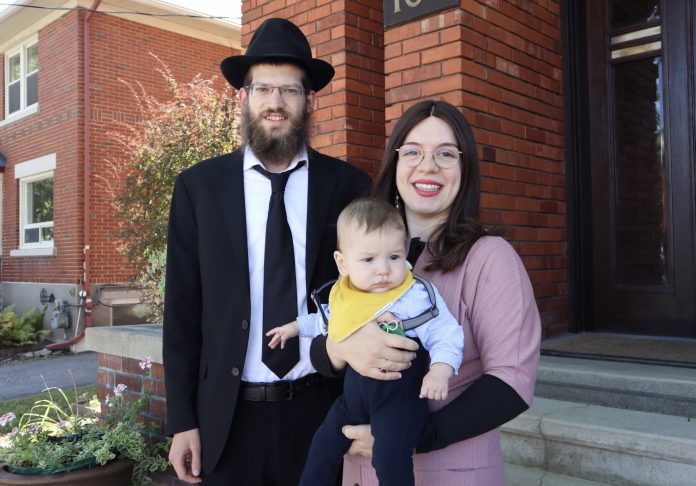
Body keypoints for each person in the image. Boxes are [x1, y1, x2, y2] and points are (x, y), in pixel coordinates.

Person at [162, 18, 371, 486]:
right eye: (263, 89)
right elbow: (181, 310)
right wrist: (182, 420)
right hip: (227, 420)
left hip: (322, 413)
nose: (275, 103)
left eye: (290, 91)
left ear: (309, 100)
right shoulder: (199, 188)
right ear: (243, 98)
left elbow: (367, 299)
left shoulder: (347, 187)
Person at [310, 100, 542, 485]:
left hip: (452, 471)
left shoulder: (489, 258)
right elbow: (322, 341)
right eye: (413, 151)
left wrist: (408, 437)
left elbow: (511, 383)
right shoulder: (360, 251)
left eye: (446, 154)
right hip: (357, 471)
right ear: (395, 163)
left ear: (464, 170)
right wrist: (337, 349)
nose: (428, 165)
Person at [266, 197, 463, 486]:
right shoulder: (346, 294)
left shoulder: (413, 295)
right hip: (353, 399)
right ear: (343, 263)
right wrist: (293, 328)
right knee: (322, 444)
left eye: (394, 257)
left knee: (389, 456)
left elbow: (445, 332)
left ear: (405, 252)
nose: (383, 269)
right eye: (368, 259)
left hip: (397, 398)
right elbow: (325, 321)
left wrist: (440, 370)